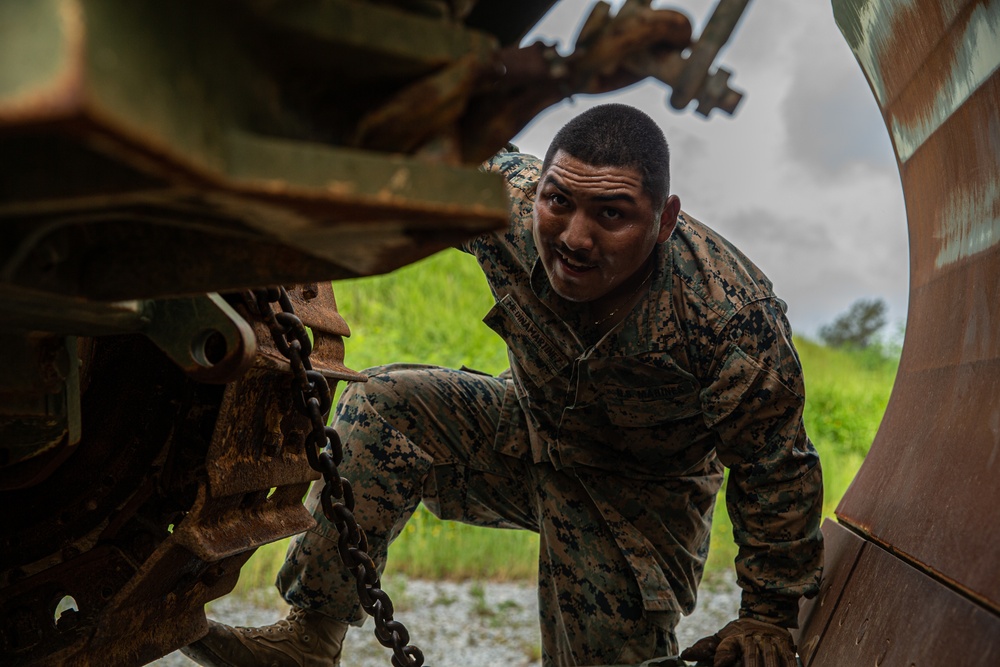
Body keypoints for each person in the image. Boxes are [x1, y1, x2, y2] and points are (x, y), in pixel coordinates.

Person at [182, 104, 823, 667]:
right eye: (559, 201)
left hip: (642, 497)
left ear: (664, 219)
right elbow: (427, 149)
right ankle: (309, 642)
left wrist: (767, 612)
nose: (574, 237)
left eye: (612, 214)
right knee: (385, 405)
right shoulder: (508, 205)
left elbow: (776, 466)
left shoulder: (728, 314)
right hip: (525, 432)